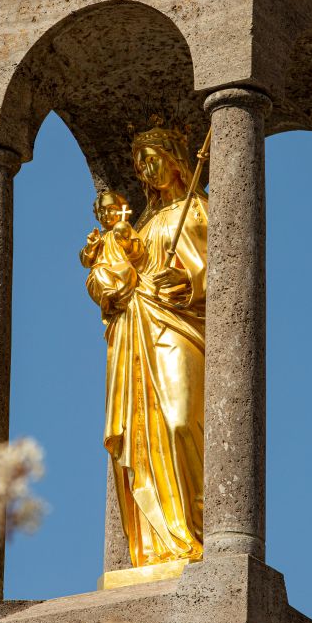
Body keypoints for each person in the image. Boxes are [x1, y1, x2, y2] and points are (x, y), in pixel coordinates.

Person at [82, 125, 207, 567]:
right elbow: (113, 276)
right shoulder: (142, 225)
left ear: (175, 159)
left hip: (178, 325)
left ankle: (194, 533)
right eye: (139, 163)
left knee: (179, 422)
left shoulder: (198, 210)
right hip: (136, 329)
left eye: (152, 158)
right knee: (141, 433)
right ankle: (157, 545)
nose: (146, 169)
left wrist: (189, 282)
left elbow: (220, 272)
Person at [79, 191, 145, 320]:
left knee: (128, 271)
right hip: (103, 273)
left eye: (111, 209)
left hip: (122, 267)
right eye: (101, 211)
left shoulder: (125, 229)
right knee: (98, 271)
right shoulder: (100, 238)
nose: (106, 215)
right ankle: (109, 295)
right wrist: (91, 246)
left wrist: (126, 244)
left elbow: (138, 252)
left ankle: (119, 298)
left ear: (121, 210)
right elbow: (85, 261)